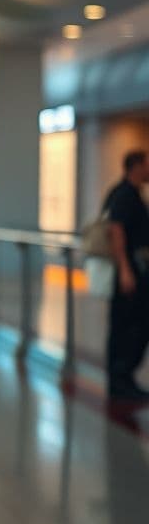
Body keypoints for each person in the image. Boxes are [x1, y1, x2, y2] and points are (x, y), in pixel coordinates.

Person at [104, 149, 149, 402]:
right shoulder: (124, 195)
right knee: (127, 325)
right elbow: (116, 230)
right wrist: (124, 269)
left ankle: (125, 378)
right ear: (136, 166)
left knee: (136, 325)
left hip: (134, 269)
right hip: (129, 270)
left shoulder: (133, 194)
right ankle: (119, 380)